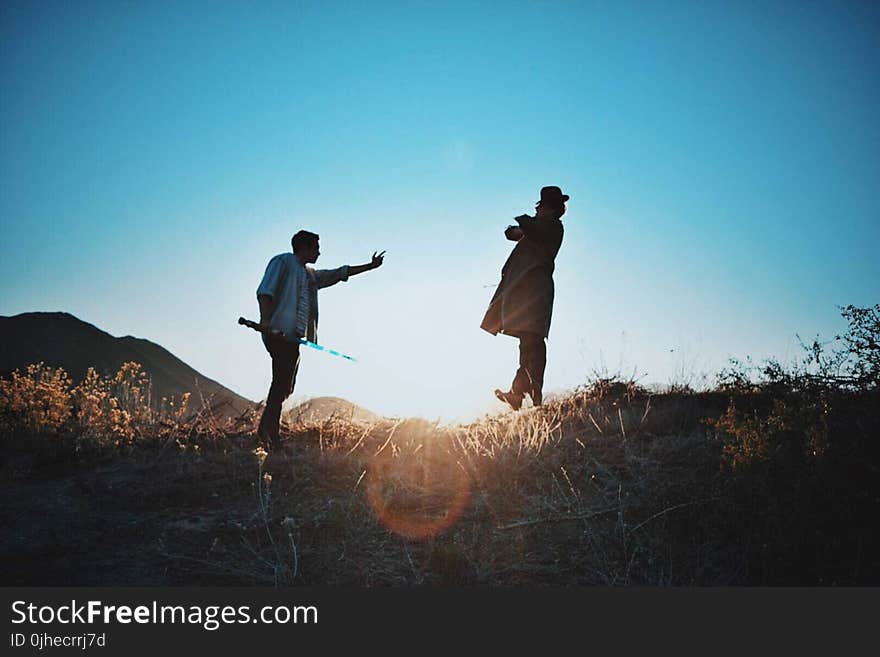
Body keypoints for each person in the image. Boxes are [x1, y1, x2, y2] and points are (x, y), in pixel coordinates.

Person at [255, 230, 385, 447]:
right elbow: (265, 291)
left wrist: (369, 266)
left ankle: (268, 430)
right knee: (281, 383)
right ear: (304, 247)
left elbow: (337, 274)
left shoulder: (309, 275)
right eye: (316, 247)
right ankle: (268, 433)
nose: (319, 252)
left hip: (293, 338)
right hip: (277, 333)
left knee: (286, 385)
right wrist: (266, 320)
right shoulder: (282, 262)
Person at [480, 186, 569, 410]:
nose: (537, 208)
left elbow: (525, 229)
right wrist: (519, 228)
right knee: (528, 343)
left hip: (535, 292)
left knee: (533, 342)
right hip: (526, 292)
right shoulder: (538, 228)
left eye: (540, 205)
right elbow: (512, 233)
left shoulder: (551, 227)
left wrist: (522, 224)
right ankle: (520, 393)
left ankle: (529, 395)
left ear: (548, 209)